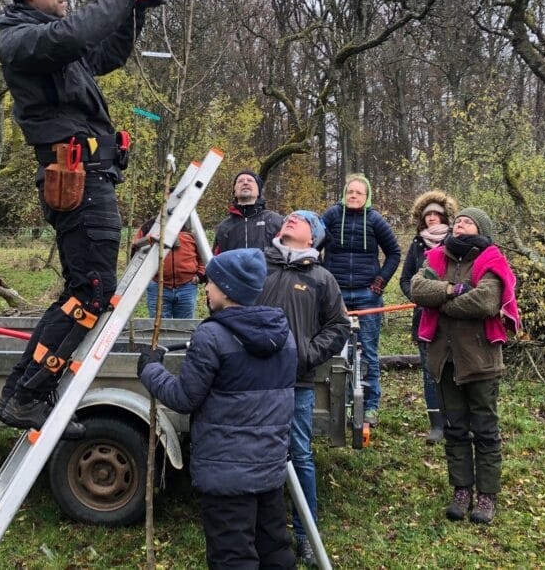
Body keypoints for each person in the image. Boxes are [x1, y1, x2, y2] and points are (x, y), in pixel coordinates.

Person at [0, 0, 165, 431]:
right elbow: (72, 36)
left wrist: (134, 13)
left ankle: (22, 393)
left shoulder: (53, 44)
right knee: (91, 291)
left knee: (86, 289)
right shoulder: (22, 40)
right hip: (78, 179)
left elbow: (106, 53)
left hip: (92, 178)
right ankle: (25, 394)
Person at [138, 248, 297, 569]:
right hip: (269, 466)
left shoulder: (211, 337)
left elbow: (184, 397)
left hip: (227, 475)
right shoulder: (284, 335)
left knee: (232, 557)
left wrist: (150, 369)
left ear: (226, 289)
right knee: (274, 548)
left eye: (210, 282)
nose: (205, 288)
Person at [409, 207, 520, 525]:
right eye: (457, 221)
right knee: (455, 428)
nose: (459, 225)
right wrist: (450, 290)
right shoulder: (436, 258)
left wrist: (440, 303)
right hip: (444, 358)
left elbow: (485, 301)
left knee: (485, 429)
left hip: (480, 358)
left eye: (467, 222)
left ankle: (487, 495)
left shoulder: (490, 259)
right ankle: (461, 490)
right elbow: (418, 289)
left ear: (481, 229)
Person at [257, 210, 349, 566]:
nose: (291, 218)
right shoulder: (258, 263)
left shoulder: (321, 278)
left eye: (302, 219)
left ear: (314, 238)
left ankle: (305, 535)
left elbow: (339, 325)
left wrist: (308, 353)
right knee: (255, 454)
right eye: (289, 216)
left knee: (300, 457)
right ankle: (259, 530)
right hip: (253, 380)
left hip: (297, 381)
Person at [321, 173, 401, 426]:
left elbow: (394, 253)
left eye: (359, 192)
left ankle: (370, 406)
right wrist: (321, 278)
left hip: (367, 295)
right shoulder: (332, 216)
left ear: (367, 197)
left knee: (368, 351)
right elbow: (311, 243)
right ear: (344, 194)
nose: (353, 196)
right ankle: (339, 406)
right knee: (335, 349)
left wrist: (380, 281)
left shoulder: (375, 220)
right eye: (350, 192)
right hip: (336, 295)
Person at [399, 190, 458, 444]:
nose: (432, 218)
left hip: (454, 317)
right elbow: (405, 280)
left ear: (445, 216)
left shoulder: (456, 241)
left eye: (437, 214)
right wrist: (419, 297)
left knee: (453, 369)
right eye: (428, 215)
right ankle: (436, 424)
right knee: (429, 371)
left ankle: (455, 420)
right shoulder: (416, 244)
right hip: (423, 318)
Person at [133, 215, 205, 319]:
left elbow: (203, 253)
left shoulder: (191, 226)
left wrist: (200, 275)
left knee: (183, 328)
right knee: (158, 327)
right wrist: (151, 239)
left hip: (187, 285)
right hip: (157, 285)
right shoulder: (150, 226)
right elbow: (136, 248)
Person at [212, 170, 284, 254]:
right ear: (234, 191)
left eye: (250, 180)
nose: (245, 183)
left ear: (258, 191)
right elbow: (216, 259)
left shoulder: (276, 221)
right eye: (240, 181)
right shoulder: (224, 226)